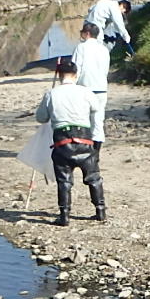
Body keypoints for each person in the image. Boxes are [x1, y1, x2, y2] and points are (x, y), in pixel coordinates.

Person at [36, 56, 105, 226]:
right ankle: (101, 211)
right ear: (76, 74)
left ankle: (64, 216)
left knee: (64, 181)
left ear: (59, 75)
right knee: (94, 178)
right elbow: (96, 112)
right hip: (85, 141)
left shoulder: (51, 94)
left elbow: (41, 118)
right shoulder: (86, 92)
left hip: (62, 144)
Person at [72, 21, 111, 152]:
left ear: (87, 33)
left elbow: (76, 68)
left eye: (82, 32)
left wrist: (71, 85)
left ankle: (84, 148)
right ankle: (96, 152)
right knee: (98, 120)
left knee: (82, 120)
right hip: (101, 88)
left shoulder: (81, 47)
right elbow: (106, 70)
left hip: (85, 87)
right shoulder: (104, 49)